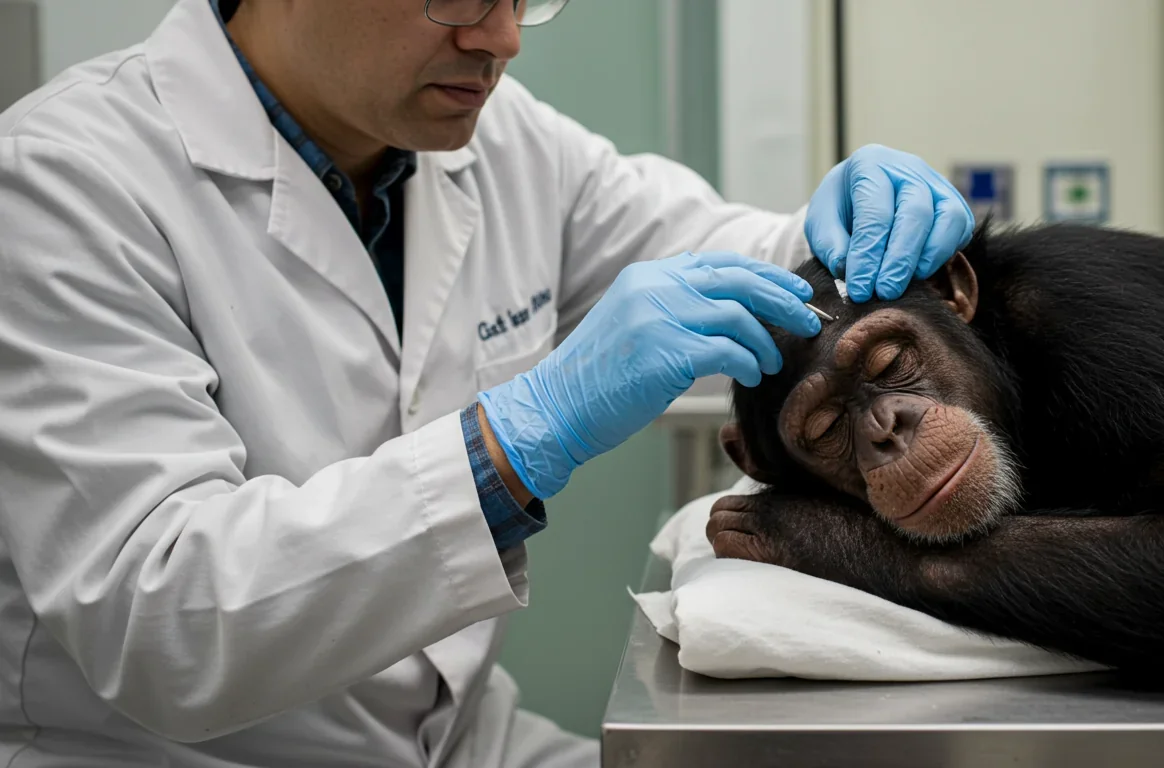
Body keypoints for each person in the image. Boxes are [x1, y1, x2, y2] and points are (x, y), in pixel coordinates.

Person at [0, 0, 974, 765]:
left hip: (466, 746)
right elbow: (161, 624)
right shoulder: (63, 184)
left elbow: (724, 258)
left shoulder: (496, 142)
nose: (501, 38)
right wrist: (519, 438)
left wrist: (837, 239)